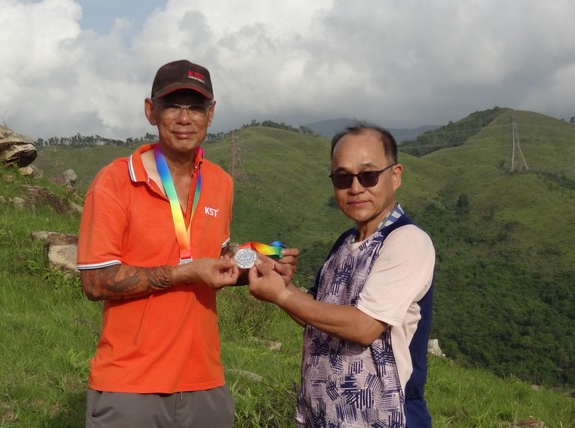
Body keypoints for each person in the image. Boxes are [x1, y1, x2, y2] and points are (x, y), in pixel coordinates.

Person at [76, 59, 296, 428]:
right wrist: (185, 272)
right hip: (130, 385)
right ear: (151, 111)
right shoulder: (114, 182)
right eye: (172, 106)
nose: (184, 118)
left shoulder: (220, 182)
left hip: (205, 383)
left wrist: (258, 264)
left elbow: (218, 258)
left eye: (195, 107)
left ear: (211, 113)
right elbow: (95, 282)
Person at [248, 123, 435, 427]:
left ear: (395, 175)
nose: (356, 188)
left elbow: (364, 326)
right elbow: (316, 312)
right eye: (343, 178)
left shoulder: (408, 241)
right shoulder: (344, 243)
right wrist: (278, 280)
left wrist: (281, 294)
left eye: (368, 175)